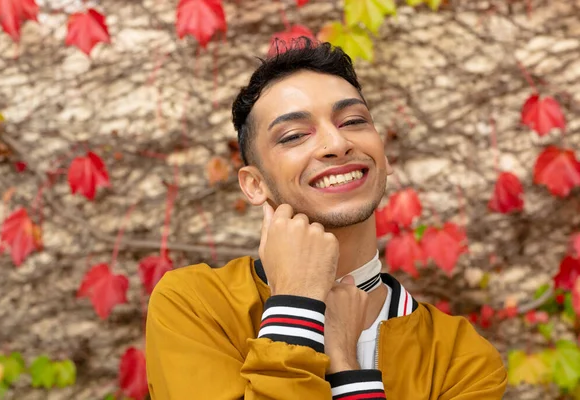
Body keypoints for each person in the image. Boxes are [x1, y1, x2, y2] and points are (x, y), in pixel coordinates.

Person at [145, 38, 507, 399]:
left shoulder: (462, 360)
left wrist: (346, 366)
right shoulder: (196, 304)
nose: (336, 143)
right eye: (294, 135)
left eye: (353, 121)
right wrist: (296, 305)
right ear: (254, 185)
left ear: (385, 157)